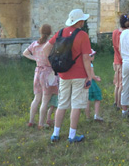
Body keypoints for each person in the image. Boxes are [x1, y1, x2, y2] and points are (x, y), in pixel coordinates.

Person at [42, 8, 100, 144]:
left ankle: (55, 134)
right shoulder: (82, 35)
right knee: (76, 105)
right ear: (80, 21)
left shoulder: (60, 32)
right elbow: (86, 58)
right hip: (79, 74)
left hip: (63, 74)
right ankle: (72, 135)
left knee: (62, 104)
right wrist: (89, 76)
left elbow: (46, 49)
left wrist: (54, 63)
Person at [21, 24, 58, 129]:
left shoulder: (34, 44)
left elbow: (25, 53)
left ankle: (31, 121)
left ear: (40, 32)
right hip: (48, 73)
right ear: (50, 32)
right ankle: (41, 123)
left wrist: (36, 59)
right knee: (45, 100)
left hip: (37, 72)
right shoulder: (50, 45)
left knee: (36, 98)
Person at [84, 50, 104, 122]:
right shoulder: (90, 64)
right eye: (92, 56)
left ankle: (87, 117)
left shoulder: (83, 64)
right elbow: (92, 75)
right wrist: (97, 78)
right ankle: (96, 115)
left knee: (87, 100)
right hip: (91, 83)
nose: (93, 57)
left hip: (85, 82)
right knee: (98, 98)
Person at [112, 15, 126, 109]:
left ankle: (115, 101)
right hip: (122, 61)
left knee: (117, 84)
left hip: (116, 59)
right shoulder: (124, 34)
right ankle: (119, 104)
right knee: (121, 84)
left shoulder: (115, 32)